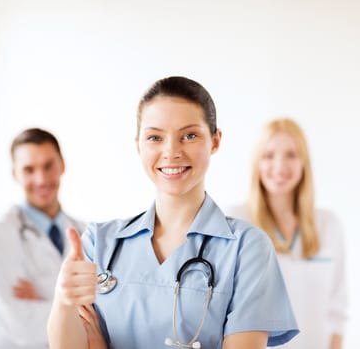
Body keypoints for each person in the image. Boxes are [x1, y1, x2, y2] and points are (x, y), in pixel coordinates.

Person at [47, 76, 300, 349]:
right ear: (138, 144)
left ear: (215, 141)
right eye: (155, 137)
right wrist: (64, 300)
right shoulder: (99, 242)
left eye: (189, 135)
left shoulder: (247, 248)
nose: (171, 152)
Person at [226, 118, 348, 349]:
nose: (280, 166)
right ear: (257, 164)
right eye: (269, 155)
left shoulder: (329, 224)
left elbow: (337, 309)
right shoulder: (236, 221)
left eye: (291, 155)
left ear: (304, 163)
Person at [0, 127, 86, 349]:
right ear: (15, 174)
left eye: (48, 166)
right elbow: (20, 325)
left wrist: (44, 299)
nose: (41, 179)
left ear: (62, 165)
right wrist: (75, 305)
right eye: (29, 170)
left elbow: (105, 314)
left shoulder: (86, 233)